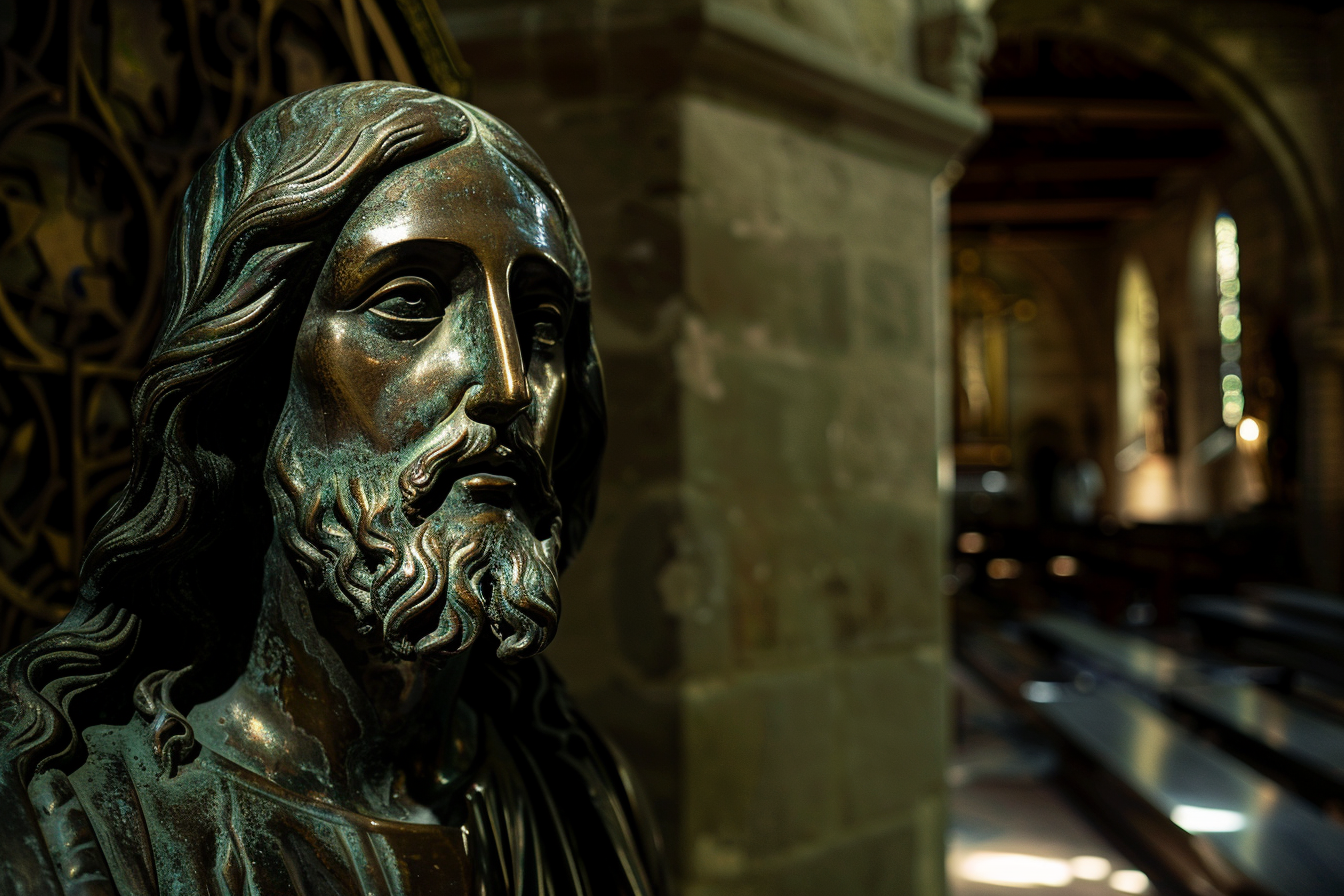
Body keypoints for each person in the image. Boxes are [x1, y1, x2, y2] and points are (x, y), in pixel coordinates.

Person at [0, 81, 667, 896]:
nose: (507, 382)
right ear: (249, 379)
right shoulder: (67, 820)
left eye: (542, 326)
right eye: (409, 305)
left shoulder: (581, 796)